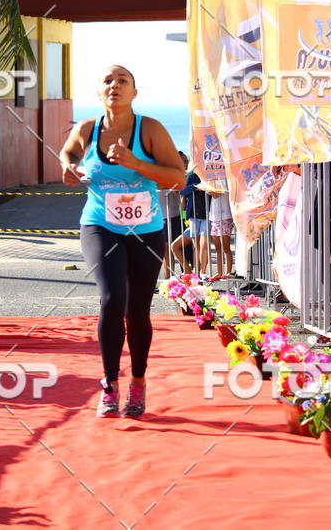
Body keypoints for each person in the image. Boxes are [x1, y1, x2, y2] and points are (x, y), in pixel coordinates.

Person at [60, 65, 185, 419]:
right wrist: (68, 167)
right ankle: (110, 385)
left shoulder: (151, 130)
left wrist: (135, 163)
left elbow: (177, 177)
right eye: (108, 81)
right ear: (99, 92)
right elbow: (68, 152)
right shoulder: (88, 128)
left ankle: (140, 381)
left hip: (145, 231)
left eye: (123, 81)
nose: (114, 85)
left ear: (134, 92)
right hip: (100, 225)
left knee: (138, 310)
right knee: (112, 298)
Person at [173, 167, 209, 276]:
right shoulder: (192, 176)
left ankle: (200, 274)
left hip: (207, 215)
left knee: (202, 245)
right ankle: (191, 273)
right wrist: (196, 186)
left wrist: (204, 187)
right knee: (190, 246)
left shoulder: (210, 175)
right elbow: (182, 191)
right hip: (192, 216)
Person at [209, 190, 234, 279]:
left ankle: (228, 272)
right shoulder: (211, 178)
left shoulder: (224, 179)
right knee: (218, 248)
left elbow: (215, 194)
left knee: (225, 247)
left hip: (225, 216)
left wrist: (208, 189)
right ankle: (219, 272)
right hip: (214, 216)